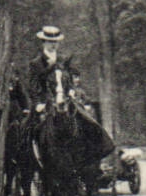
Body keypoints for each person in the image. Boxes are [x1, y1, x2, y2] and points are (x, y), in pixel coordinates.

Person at [22, 25, 115, 159]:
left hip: (65, 101)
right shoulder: (36, 63)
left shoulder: (63, 60)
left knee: (86, 118)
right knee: (27, 130)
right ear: (43, 42)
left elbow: (69, 80)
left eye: (55, 42)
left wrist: (71, 90)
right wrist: (38, 102)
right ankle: (29, 161)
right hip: (45, 102)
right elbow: (33, 86)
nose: (53, 45)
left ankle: (97, 154)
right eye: (50, 42)